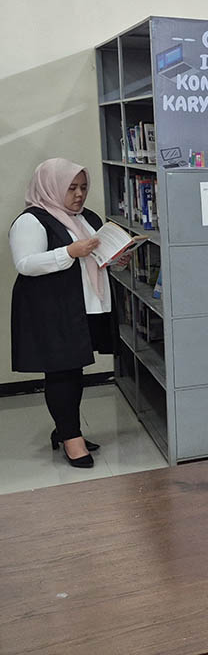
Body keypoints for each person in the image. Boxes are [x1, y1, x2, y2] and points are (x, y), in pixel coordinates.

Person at [9, 159, 131, 468]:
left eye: (84, 188)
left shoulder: (86, 217)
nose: (79, 195)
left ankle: (65, 430)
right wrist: (69, 252)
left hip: (83, 305)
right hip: (51, 308)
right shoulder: (32, 220)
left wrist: (116, 259)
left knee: (74, 369)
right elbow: (25, 264)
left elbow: (94, 259)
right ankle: (71, 438)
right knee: (61, 371)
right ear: (51, 187)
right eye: (71, 188)